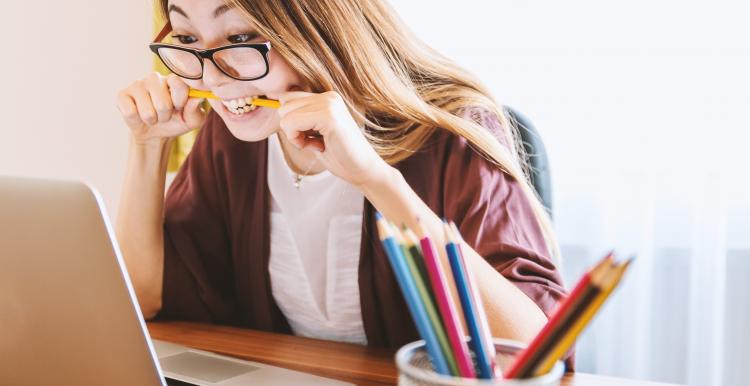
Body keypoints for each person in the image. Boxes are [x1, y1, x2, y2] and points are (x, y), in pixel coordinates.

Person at [115, 0, 567, 350]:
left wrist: (377, 180)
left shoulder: (452, 134)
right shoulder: (232, 138)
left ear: (318, 26)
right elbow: (144, 297)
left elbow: (531, 348)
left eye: (241, 35)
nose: (213, 77)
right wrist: (148, 145)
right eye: (190, 39)